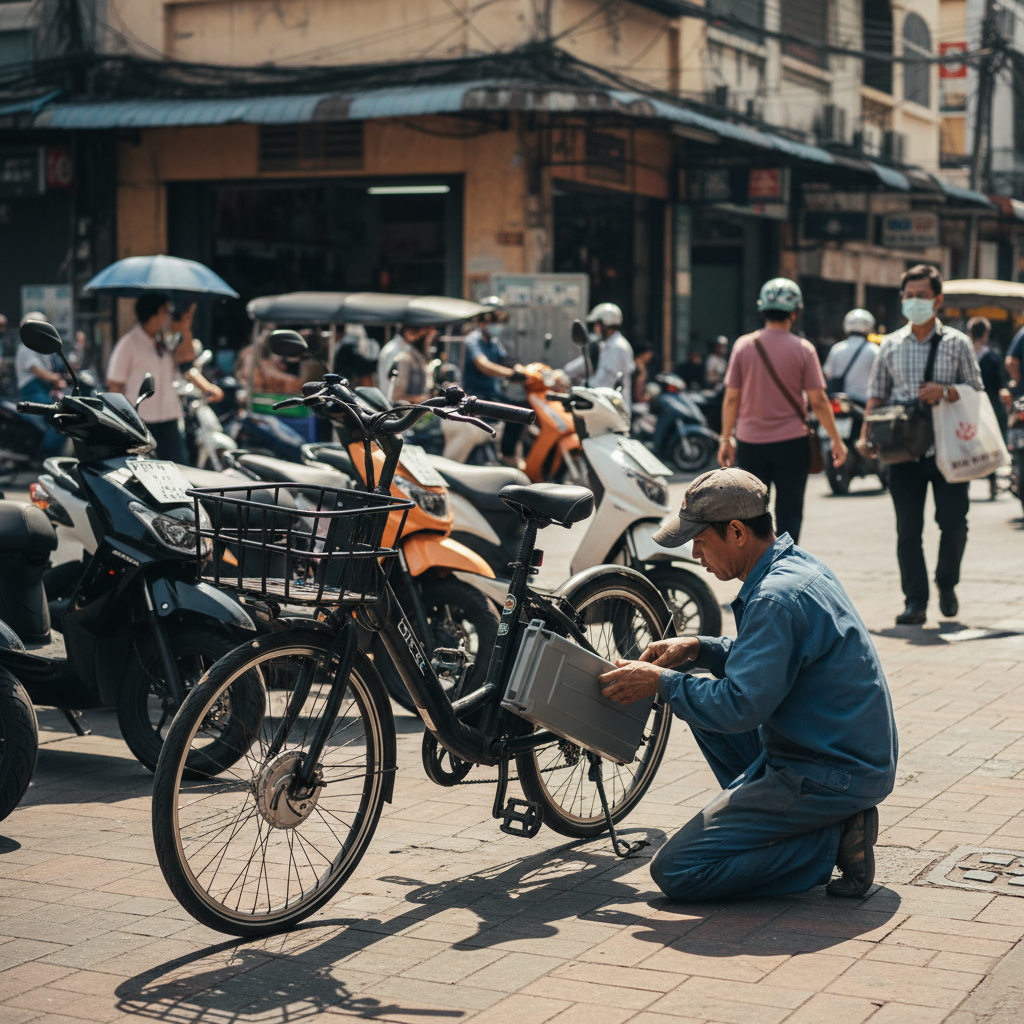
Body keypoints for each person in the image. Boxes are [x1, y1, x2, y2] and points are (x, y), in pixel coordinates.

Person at [598, 468, 897, 901]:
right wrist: (698, 648)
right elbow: (766, 661)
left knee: (678, 870)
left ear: (736, 532)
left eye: (700, 542)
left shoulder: (775, 597)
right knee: (698, 698)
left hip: (831, 772)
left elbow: (739, 706)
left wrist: (660, 682)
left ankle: (828, 840)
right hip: (843, 755)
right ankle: (794, 821)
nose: (696, 555)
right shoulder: (795, 565)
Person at [857, 264, 983, 625]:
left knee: (954, 523)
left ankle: (946, 582)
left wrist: (945, 391)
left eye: (921, 296)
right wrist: (866, 435)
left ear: (938, 300)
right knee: (907, 531)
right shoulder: (890, 345)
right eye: (908, 296)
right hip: (902, 450)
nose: (914, 302)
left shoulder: (957, 343)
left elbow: (977, 390)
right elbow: (876, 394)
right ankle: (915, 602)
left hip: (949, 450)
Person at [718, 277, 848, 543]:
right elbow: (819, 401)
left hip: (750, 443)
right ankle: (786, 571)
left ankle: (756, 572)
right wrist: (836, 440)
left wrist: (725, 438)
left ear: (762, 309)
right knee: (789, 513)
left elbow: (731, 398)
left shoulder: (744, 346)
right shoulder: (803, 349)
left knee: (752, 515)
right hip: (791, 444)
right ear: (795, 312)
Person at [106, 294, 222, 464]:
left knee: (178, 468)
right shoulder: (128, 344)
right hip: (141, 421)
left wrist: (185, 327)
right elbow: (115, 385)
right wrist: (122, 423)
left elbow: (187, 364)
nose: (169, 316)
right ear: (156, 314)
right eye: (167, 311)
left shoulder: (166, 341)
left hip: (170, 418)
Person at [461, 297, 529, 465]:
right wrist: (511, 374)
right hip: (477, 397)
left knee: (523, 411)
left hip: (493, 394)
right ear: (483, 320)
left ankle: (509, 454)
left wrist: (523, 370)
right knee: (515, 413)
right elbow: (483, 365)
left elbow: (507, 360)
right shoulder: (472, 340)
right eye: (493, 319)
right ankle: (507, 457)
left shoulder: (493, 341)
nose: (497, 324)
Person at [564, 303, 635, 411]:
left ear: (605, 323)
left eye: (596, 324)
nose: (595, 328)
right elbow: (583, 366)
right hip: (604, 406)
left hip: (614, 410)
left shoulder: (618, 348)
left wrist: (581, 390)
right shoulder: (605, 346)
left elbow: (606, 380)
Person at [15, 311, 67, 457]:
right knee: (57, 419)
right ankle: (46, 457)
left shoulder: (42, 348)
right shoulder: (25, 348)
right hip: (33, 392)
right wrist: (55, 379)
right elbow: (38, 370)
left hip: (43, 390)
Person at [968, 316, 1006, 500]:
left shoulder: (964, 352)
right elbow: (999, 383)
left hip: (967, 404)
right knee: (989, 442)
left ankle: (966, 480)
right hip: (988, 404)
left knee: (968, 443)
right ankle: (992, 479)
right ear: (986, 333)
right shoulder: (992, 356)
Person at [823, 309, 878, 405]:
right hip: (864, 402)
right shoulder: (874, 351)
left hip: (840, 402)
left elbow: (828, 373)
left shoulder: (837, 349)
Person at [388, 324, 436, 405]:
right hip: (406, 415)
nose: (429, 342)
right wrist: (423, 399)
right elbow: (396, 398)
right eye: (427, 336)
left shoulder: (419, 358)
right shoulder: (405, 358)